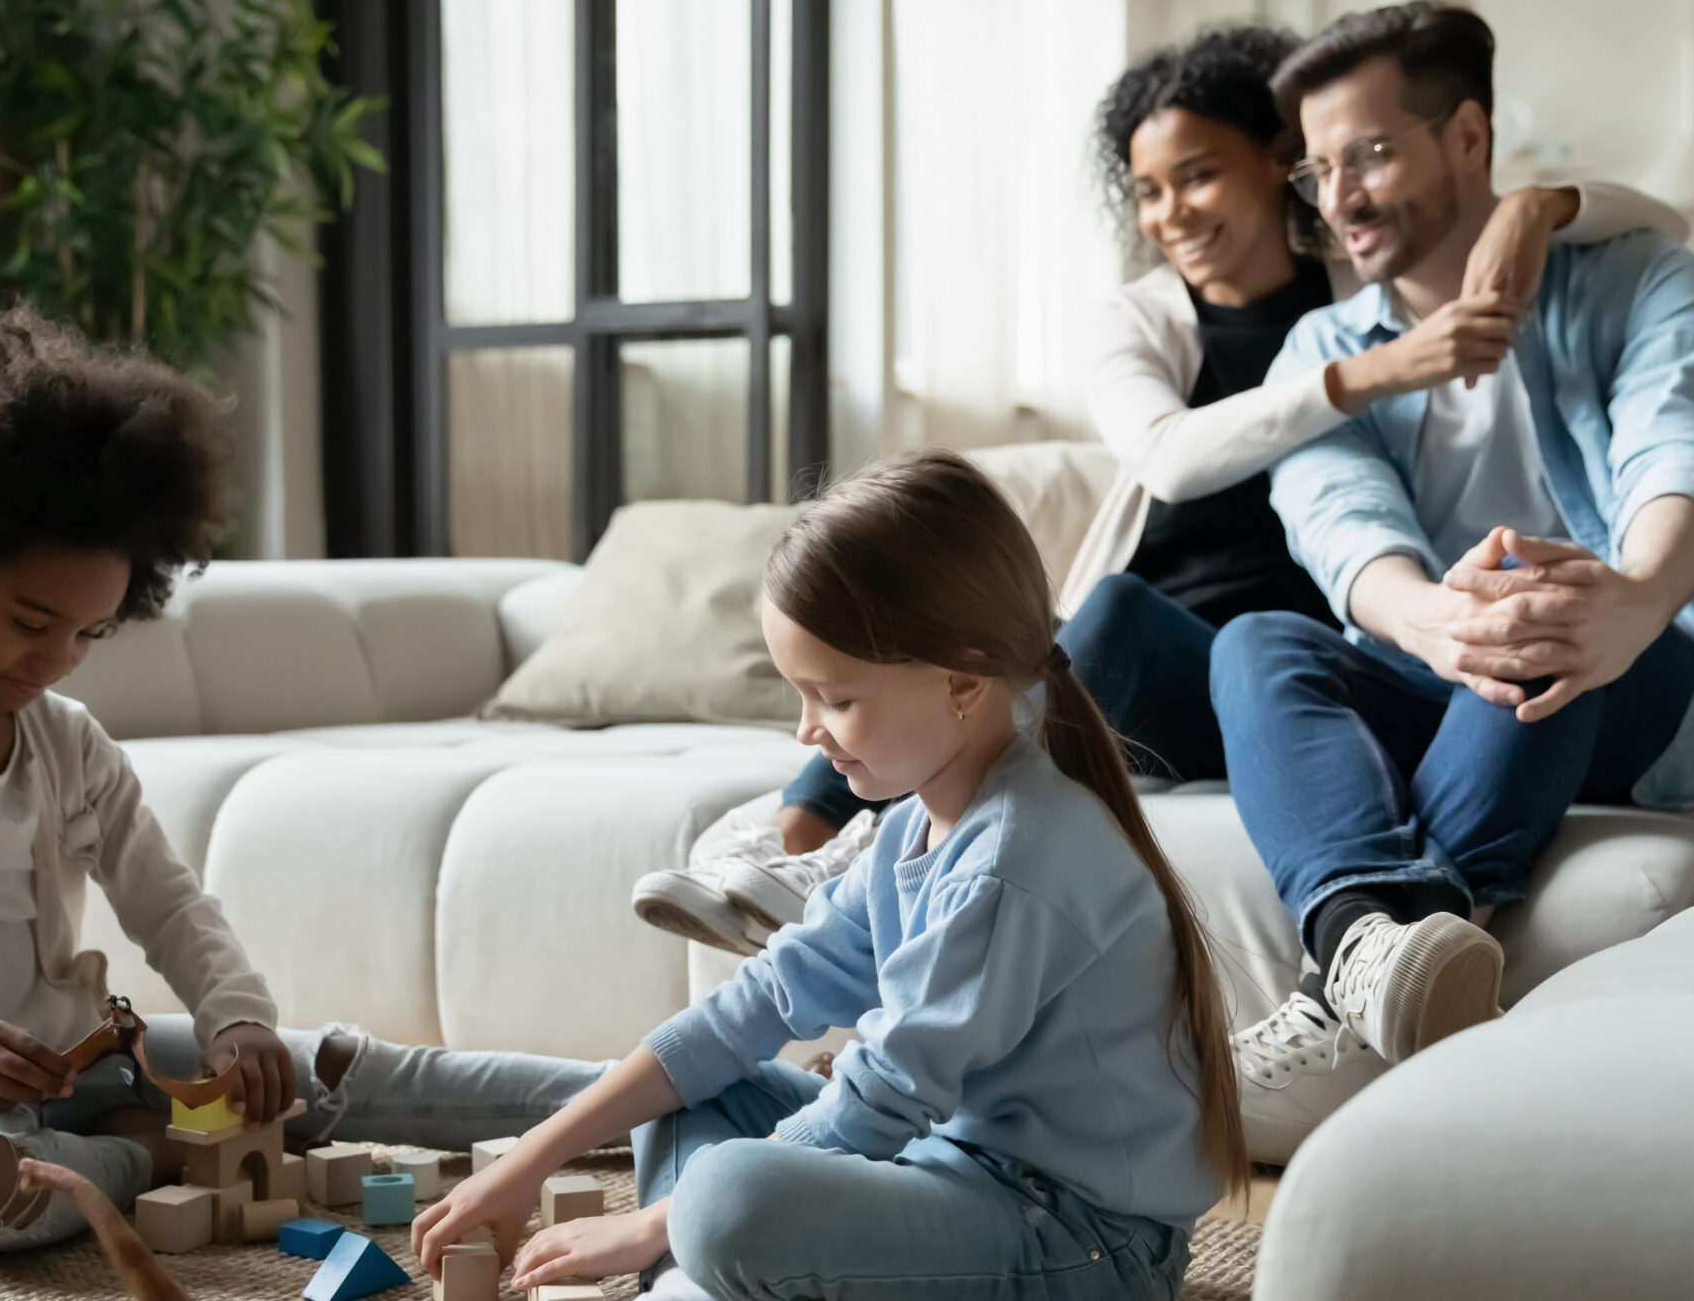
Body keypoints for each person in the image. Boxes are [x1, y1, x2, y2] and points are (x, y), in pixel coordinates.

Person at [631, 23, 1689, 957]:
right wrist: (1375, 373)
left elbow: (1651, 222)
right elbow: (1171, 456)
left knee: (1252, 639)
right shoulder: (1148, 322)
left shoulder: (1358, 294)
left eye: (1198, 176)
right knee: (1065, 624)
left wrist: (1541, 206)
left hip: (1308, 675)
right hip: (1161, 661)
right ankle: (806, 841)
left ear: (1283, 169)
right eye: (1146, 190)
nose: (1171, 211)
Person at [0, 303, 608, 1252]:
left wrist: (235, 1021)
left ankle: (638, 1094)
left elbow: (170, 906)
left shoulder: (69, 742)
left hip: (84, 1065)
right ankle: (153, 1156)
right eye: (31, 624)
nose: (58, 660)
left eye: (89, 633)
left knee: (317, 1064)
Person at [416, 451, 1245, 1300]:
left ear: (960, 679)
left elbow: (880, 1101)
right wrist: (528, 1160)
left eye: (835, 698)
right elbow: (758, 1003)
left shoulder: (1016, 862)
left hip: (1082, 1243)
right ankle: (707, 1278)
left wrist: (646, 1224)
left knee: (721, 1197)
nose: (807, 733)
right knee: (689, 1101)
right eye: (802, 696)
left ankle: (693, 1271)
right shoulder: (907, 831)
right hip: (950, 1171)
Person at [1217, 2, 1694, 1123]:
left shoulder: (1638, 279)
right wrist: (1437, 622)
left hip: (1626, 663)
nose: (1337, 197)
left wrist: (1634, 592)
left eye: (1372, 153)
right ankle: (1369, 944)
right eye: (1318, 170)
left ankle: (1353, 963)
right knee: (1258, 640)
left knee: (1541, 598)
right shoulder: (1325, 351)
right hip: (1434, 668)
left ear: (1469, 138)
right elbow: (1338, 525)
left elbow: (1681, 454)